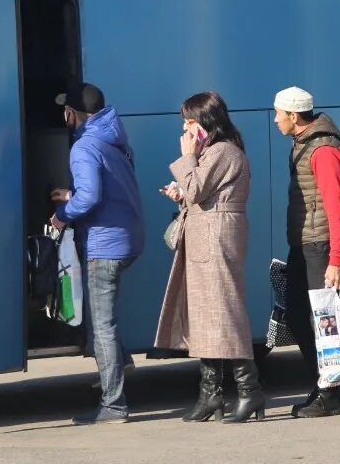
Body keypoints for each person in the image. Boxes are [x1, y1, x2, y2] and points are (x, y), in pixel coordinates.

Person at [152, 91, 265, 423]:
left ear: (206, 121)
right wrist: (181, 192)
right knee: (206, 318)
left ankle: (250, 391)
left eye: (189, 121)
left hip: (215, 238)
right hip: (207, 235)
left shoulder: (222, 150)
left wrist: (187, 158)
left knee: (224, 313)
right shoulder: (217, 151)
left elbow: (198, 189)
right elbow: (197, 192)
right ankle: (210, 395)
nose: (185, 129)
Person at [49, 82, 145, 424]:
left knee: (102, 325)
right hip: (128, 238)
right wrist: (71, 194)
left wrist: (62, 215)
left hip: (104, 245)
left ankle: (114, 405)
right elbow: (101, 188)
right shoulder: (112, 138)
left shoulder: (83, 147)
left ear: (70, 113)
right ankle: (123, 362)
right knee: (105, 319)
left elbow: (90, 198)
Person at [273, 86, 340, 418]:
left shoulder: (322, 150)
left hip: (318, 246)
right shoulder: (302, 145)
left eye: (278, 113)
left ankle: (330, 392)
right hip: (303, 243)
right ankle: (324, 386)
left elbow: (336, 209)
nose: (275, 119)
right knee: (296, 314)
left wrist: (336, 260)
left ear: (293, 116)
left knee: (321, 322)